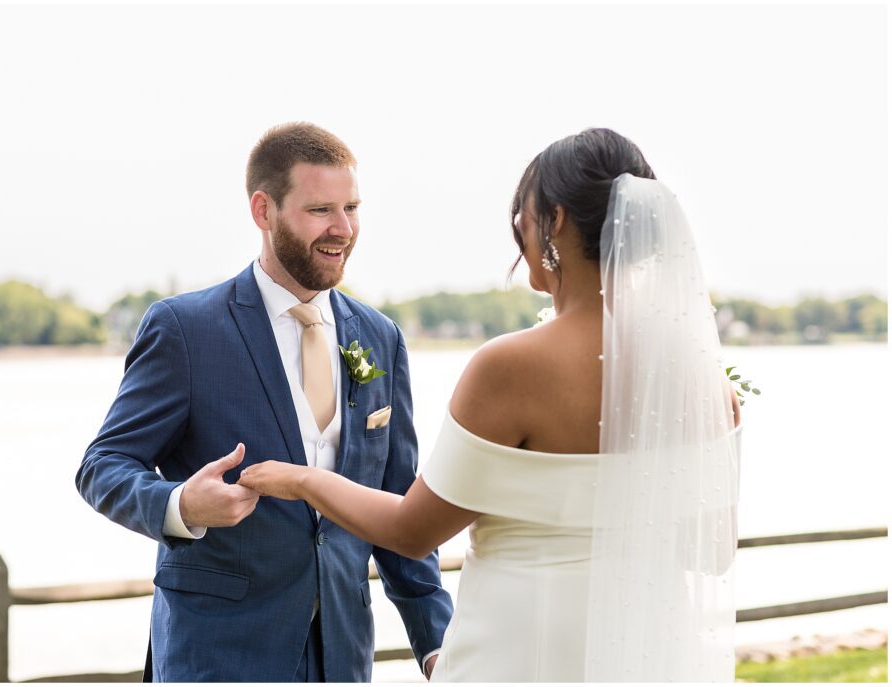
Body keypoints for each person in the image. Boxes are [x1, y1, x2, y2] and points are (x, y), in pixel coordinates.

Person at [239, 128, 743, 682]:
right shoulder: (697, 377)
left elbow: (414, 529)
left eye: (522, 214)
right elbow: (711, 553)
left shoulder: (513, 367)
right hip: (642, 656)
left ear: (553, 220)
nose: (519, 231)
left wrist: (305, 481)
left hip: (521, 651)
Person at [76, 122, 453, 682]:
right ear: (263, 210)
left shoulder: (379, 338)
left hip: (343, 660)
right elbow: (102, 467)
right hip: (218, 657)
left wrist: (436, 643)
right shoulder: (186, 329)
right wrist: (180, 505)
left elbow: (398, 504)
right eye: (320, 210)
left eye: (352, 207)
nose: (343, 229)